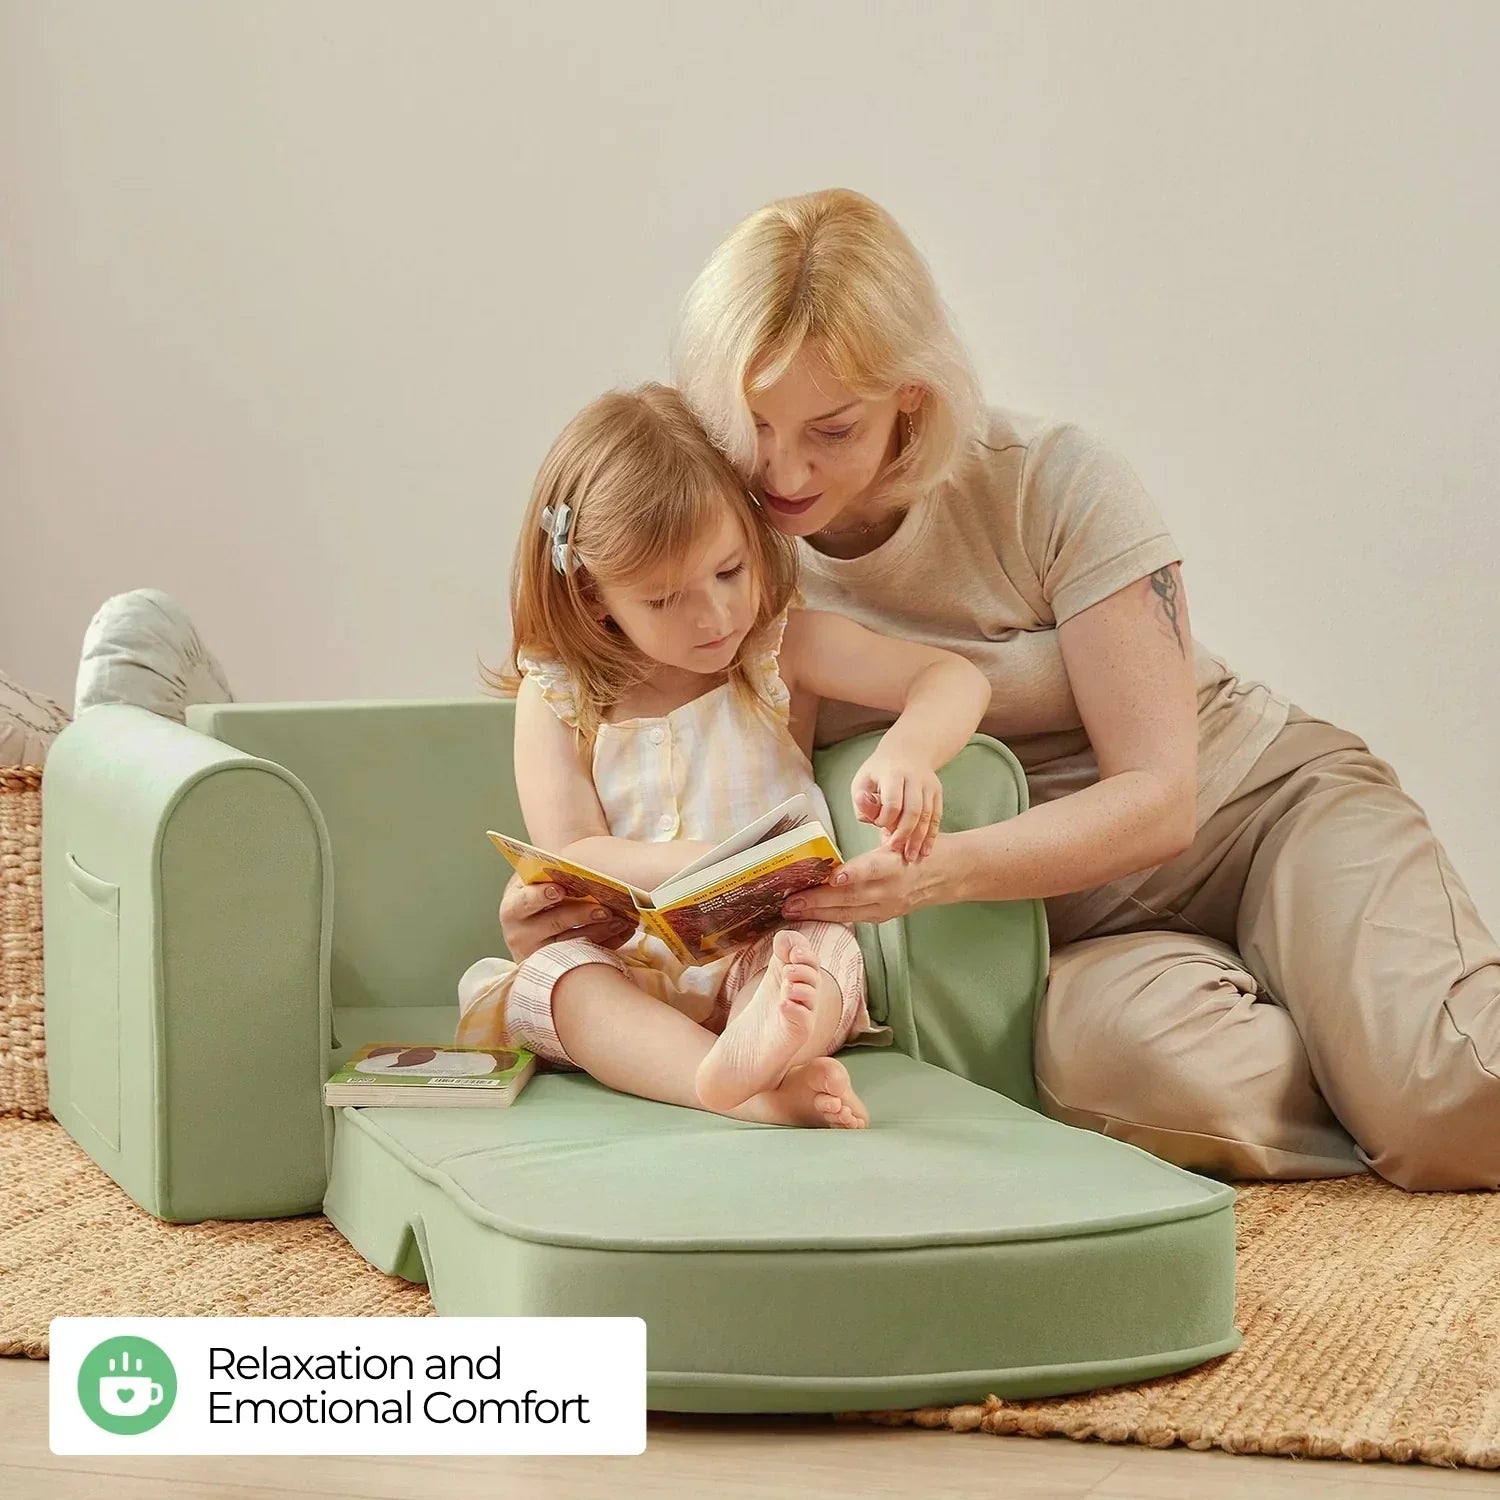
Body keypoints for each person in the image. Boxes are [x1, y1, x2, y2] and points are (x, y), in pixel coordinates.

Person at [498, 189, 1500, 1192]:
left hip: (1257, 811)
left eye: (833, 429)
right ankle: (1363, 1049)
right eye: (751, 422)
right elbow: (616, 704)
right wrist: (582, 901)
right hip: (1070, 921)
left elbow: (1162, 797)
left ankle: (1398, 1060)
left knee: (1448, 1099)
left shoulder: (1053, 482)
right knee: (1125, 1080)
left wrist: (935, 874)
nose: (783, 469)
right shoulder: (727, 557)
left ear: (911, 397)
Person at [459, 383, 990, 1129]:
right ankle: (735, 1086)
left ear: (752, 532)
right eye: (665, 599)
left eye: (730, 571)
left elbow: (950, 677)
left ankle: (770, 1042)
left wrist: (908, 754)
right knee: (554, 980)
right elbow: (571, 847)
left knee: (819, 954)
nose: (714, 616)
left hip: (766, 950)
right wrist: (712, 861)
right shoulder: (558, 693)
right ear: (592, 596)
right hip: (634, 969)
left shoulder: (778, 651)